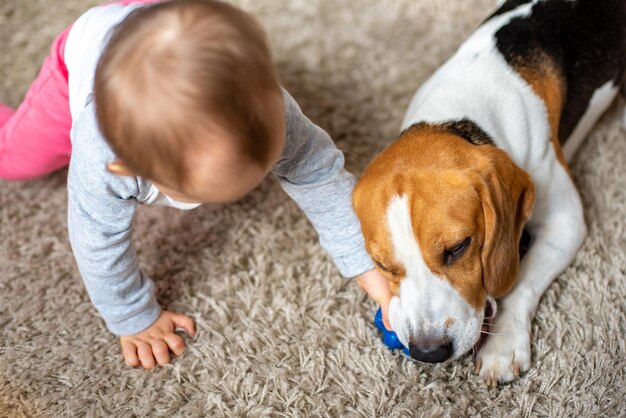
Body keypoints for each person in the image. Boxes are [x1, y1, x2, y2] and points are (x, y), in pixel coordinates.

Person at [0, 0, 392, 369]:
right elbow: (96, 242)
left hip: (167, 20)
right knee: (15, 158)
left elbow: (318, 172)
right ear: (130, 169)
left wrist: (364, 262)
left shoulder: (270, 106)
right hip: (88, 47)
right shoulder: (100, 152)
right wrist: (134, 318)